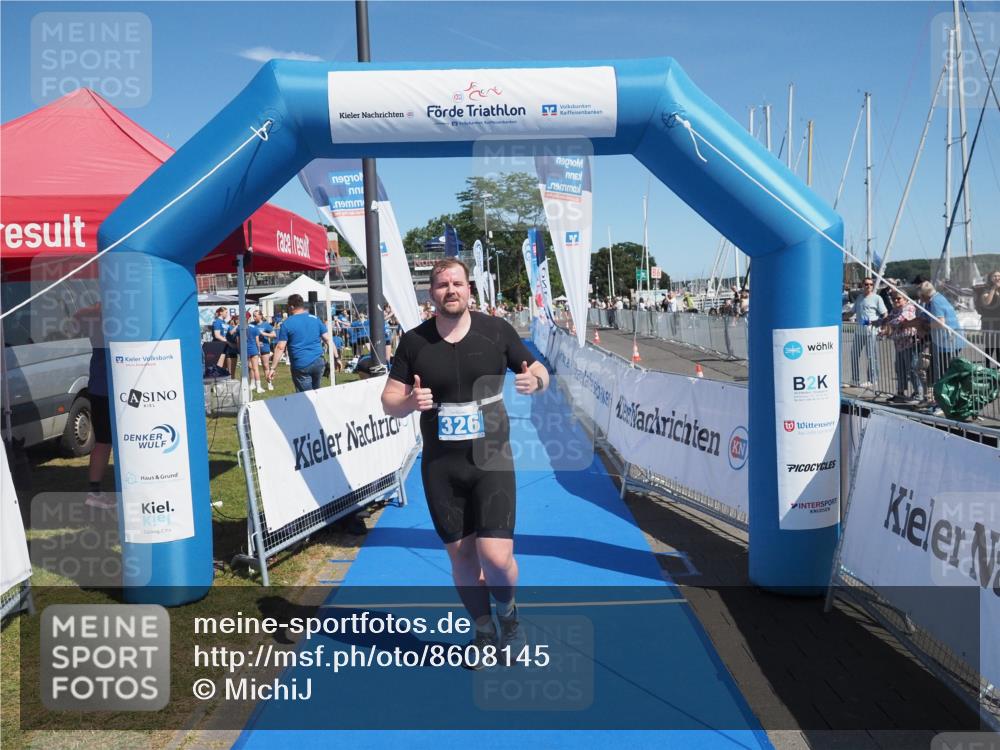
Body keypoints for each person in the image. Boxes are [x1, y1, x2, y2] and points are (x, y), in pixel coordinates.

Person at [380, 258, 550, 668]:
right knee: (462, 558)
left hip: (491, 458)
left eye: (457, 283)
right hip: (441, 465)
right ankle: (483, 630)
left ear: (469, 288)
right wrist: (408, 402)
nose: (450, 290)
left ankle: (509, 617)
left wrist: (536, 381)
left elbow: (538, 369)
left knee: (495, 557)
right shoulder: (414, 342)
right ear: (431, 293)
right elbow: (389, 400)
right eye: (441, 285)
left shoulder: (496, 331)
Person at [271, 293, 331, 392]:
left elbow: (280, 347)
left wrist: (273, 368)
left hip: (301, 364)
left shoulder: (287, 323)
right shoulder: (315, 319)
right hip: (318, 361)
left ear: (291, 306)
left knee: (305, 397)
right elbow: (328, 339)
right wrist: (336, 357)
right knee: (316, 392)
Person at [918, 281, 963, 409]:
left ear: (925, 295)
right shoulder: (937, 299)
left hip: (947, 342)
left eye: (920, 296)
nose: (920, 299)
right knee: (943, 373)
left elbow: (940, 322)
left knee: (944, 374)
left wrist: (927, 326)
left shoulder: (935, 302)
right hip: (946, 342)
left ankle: (944, 404)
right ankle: (942, 402)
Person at [880, 292, 924, 404]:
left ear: (905, 299)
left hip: (910, 344)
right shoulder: (894, 310)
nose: (895, 301)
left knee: (913, 369)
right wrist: (884, 324)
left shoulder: (909, 308)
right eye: (893, 299)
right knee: (900, 369)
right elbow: (887, 320)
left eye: (898, 298)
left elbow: (899, 320)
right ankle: (900, 393)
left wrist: (888, 326)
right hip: (899, 344)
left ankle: (919, 394)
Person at [850, 278, 887, 389]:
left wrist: (882, 326)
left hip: (871, 332)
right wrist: (837, 317)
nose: (869, 286)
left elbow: (885, 314)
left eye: (871, 284)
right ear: (862, 285)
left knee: (871, 355)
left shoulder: (877, 298)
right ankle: (855, 379)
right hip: (859, 331)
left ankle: (872, 379)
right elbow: (852, 312)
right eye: (866, 284)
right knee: (854, 354)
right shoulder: (859, 298)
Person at [975, 270, 1000, 364]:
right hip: (989, 323)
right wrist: (993, 289)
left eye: (999, 276)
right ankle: (988, 368)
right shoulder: (986, 289)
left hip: (998, 322)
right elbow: (987, 303)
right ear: (990, 277)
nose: (997, 278)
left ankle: (998, 369)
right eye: (995, 276)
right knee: (990, 346)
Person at [254, 310, 276, 390]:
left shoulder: (266, 325)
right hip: (254, 348)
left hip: (264, 347)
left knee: (266, 366)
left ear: (260, 316)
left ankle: (269, 383)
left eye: (255, 316)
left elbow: (274, 335)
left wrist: (264, 334)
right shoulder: (252, 324)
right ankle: (254, 385)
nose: (254, 317)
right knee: (253, 367)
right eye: (253, 316)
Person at [211, 307, 230, 371]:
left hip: (224, 344)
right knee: (219, 364)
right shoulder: (217, 322)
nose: (227, 314)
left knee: (224, 364)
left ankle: (222, 377)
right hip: (219, 345)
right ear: (221, 313)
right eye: (226, 312)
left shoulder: (224, 322)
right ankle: (218, 378)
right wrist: (228, 342)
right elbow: (217, 335)